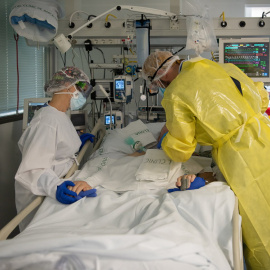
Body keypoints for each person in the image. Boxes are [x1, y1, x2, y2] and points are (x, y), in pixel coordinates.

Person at [142, 51, 270, 269]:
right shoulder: (219, 67)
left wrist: (165, 139)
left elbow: (181, 149)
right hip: (264, 134)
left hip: (241, 155)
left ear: (161, 78)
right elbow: (261, 95)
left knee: (260, 218)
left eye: (158, 83)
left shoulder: (176, 92)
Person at [15, 66, 96, 231]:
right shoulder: (46, 122)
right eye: (81, 89)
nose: (82, 95)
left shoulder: (59, 114)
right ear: (67, 86)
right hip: (39, 192)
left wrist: (77, 142)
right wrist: (55, 187)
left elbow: (57, 146)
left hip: (62, 176)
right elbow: (32, 169)